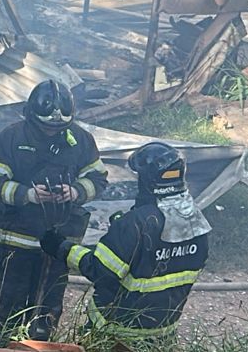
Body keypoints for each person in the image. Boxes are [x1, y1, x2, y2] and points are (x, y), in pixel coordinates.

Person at [0, 79, 107, 342]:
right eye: (46, 125)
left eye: (59, 126)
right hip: (17, 237)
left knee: (49, 302)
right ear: (31, 115)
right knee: (8, 298)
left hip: (60, 241)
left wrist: (75, 192)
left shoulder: (81, 140)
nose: (52, 130)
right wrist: (27, 195)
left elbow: (98, 178)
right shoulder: (11, 138)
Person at [43, 142, 210, 341]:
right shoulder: (197, 221)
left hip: (115, 332)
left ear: (146, 180)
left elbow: (100, 270)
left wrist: (62, 248)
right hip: (163, 332)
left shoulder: (134, 224)